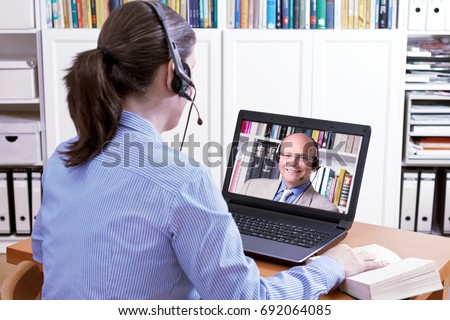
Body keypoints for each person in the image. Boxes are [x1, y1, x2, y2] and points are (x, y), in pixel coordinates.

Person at [31, 1, 386, 300]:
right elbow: (249, 305)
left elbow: (50, 257)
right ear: (175, 74)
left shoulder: (62, 160)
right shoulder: (182, 180)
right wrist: (332, 265)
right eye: (191, 70)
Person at [239, 133, 339, 212]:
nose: (293, 163)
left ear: (314, 165)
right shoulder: (250, 187)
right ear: (278, 158)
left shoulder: (327, 209)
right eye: (287, 155)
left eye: (302, 157)